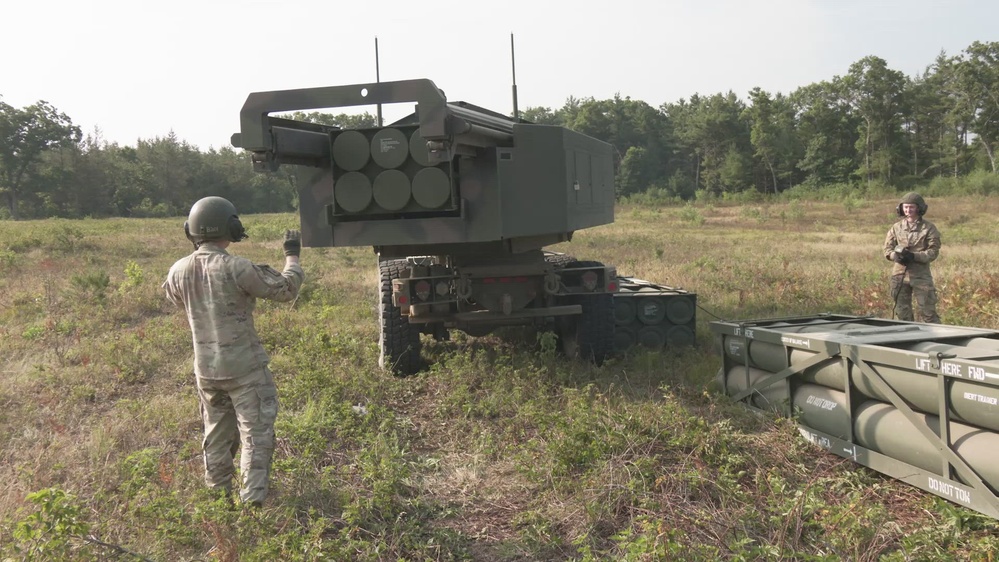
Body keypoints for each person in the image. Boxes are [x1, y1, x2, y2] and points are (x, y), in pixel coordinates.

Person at [163, 196, 305, 507]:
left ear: (191, 231)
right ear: (231, 226)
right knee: (255, 436)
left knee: (216, 435)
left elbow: (177, 300)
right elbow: (285, 290)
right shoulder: (236, 267)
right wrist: (292, 257)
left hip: (207, 371)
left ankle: (218, 498)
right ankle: (252, 502)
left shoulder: (177, 271)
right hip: (245, 370)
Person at [883, 192, 941, 323]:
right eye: (905, 207)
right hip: (899, 275)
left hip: (921, 275)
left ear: (919, 208)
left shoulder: (929, 228)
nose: (908, 210)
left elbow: (933, 252)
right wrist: (895, 256)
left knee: (928, 312)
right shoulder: (896, 227)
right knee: (902, 313)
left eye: (911, 207)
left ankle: (936, 338)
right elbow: (887, 249)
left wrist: (914, 256)